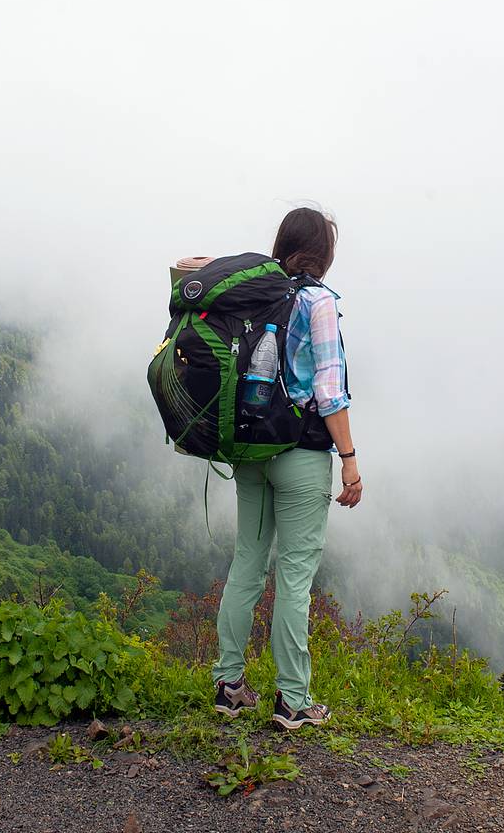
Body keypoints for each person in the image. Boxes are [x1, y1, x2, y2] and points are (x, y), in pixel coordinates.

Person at [210, 206, 362, 731]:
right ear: (325, 254)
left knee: (246, 563)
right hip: (301, 455)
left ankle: (228, 686)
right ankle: (292, 700)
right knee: (294, 577)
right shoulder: (318, 302)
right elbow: (328, 388)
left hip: (253, 451)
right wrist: (349, 461)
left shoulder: (258, 295)